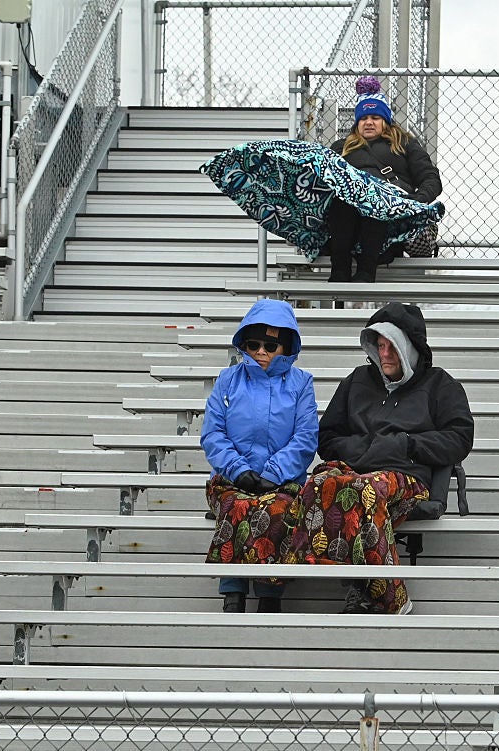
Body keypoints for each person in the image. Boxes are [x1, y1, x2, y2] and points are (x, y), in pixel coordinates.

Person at [289, 302, 474, 614]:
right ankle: (359, 585)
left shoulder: (440, 385)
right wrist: (366, 449)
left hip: (408, 477)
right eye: (380, 346)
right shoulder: (357, 381)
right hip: (355, 470)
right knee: (320, 483)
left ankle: (386, 596)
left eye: (393, 347)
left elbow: (459, 438)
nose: (385, 354)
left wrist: (405, 444)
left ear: (410, 349)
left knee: (365, 490)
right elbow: (327, 437)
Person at [201, 299, 319, 613]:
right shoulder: (227, 380)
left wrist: (272, 474)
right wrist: (238, 471)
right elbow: (213, 434)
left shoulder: (301, 384)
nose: (260, 352)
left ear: (286, 347)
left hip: (282, 482)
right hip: (231, 479)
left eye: (270, 346)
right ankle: (233, 594)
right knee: (236, 504)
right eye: (253, 345)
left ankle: (269, 595)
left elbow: (305, 438)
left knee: (276, 507)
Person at [326, 76, 442, 283]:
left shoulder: (404, 143)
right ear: (357, 122)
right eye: (363, 118)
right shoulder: (341, 147)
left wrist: (416, 200)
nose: (369, 122)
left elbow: (431, 178)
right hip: (348, 214)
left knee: (375, 198)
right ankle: (340, 270)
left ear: (385, 121)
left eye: (375, 117)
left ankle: (366, 271)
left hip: (390, 214)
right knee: (341, 199)